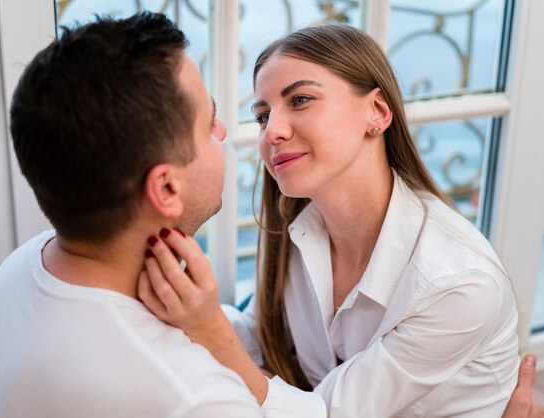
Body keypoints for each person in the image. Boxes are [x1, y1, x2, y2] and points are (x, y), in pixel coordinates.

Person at [139, 23, 539, 417]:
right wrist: (175, 310)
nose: (272, 131)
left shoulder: (459, 285)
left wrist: (208, 328)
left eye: (299, 100)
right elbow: (259, 336)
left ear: (377, 113)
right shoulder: (297, 227)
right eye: (262, 116)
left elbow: (324, 414)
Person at [0, 12, 266, 418]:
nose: (222, 131)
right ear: (167, 188)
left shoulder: (21, 269)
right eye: (208, 123)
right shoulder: (196, 397)